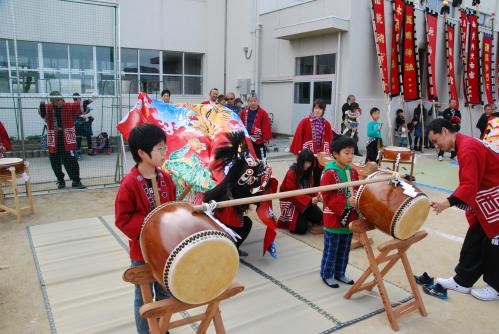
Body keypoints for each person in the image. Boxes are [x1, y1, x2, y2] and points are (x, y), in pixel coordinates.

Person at [115, 123, 177, 333]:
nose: (163, 152)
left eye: (164, 147)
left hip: (166, 249)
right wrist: (152, 223)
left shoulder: (165, 179)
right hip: (141, 251)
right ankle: (145, 331)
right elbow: (123, 219)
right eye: (159, 148)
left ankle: (161, 328)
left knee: (165, 292)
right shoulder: (129, 183)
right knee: (143, 297)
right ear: (141, 152)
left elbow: (172, 210)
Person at [428, 118, 499, 301]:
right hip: (487, 197)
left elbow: (469, 184)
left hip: (494, 196)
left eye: (436, 141)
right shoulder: (464, 145)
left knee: (493, 244)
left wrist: (446, 203)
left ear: (445, 131)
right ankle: (463, 280)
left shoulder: (467, 148)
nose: (437, 146)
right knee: (475, 239)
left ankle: (495, 286)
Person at [320, 136, 359, 288]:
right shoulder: (329, 173)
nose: (350, 157)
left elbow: (357, 190)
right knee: (332, 249)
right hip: (333, 219)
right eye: (347, 153)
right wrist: (347, 201)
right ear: (336, 154)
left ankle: (340, 273)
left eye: (352, 153)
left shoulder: (353, 172)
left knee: (344, 249)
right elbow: (327, 196)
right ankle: (327, 274)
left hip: (349, 218)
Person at [38, 91, 90, 189]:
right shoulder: (48, 107)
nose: (59, 102)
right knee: (55, 161)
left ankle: (76, 180)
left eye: (60, 100)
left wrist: (91, 99)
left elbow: (81, 105)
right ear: (52, 102)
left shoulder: (68, 106)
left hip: (67, 136)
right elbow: (42, 114)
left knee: (71, 160)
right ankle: (61, 181)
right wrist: (42, 101)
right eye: (56, 101)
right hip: (53, 137)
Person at [289, 99, 333, 187]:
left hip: (320, 155)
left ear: (323, 111)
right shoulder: (304, 122)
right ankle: (303, 193)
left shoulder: (326, 124)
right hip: (307, 154)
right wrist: (298, 152)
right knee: (305, 174)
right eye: (316, 108)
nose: (317, 110)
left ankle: (315, 194)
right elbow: (298, 136)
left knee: (318, 175)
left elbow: (330, 139)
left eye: (320, 109)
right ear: (313, 108)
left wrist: (329, 153)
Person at [278, 149, 323, 234]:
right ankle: (302, 217)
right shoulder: (291, 172)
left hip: (305, 202)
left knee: (320, 217)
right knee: (300, 229)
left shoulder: (309, 173)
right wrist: (310, 200)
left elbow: (311, 189)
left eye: (309, 163)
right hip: (291, 203)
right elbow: (291, 194)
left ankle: (303, 216)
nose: (307, 165)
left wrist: (318, 196)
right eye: (305, 162)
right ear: (300, 161)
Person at [239, 95, 272, 160]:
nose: (253, 103)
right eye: (251, 101)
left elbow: (266, 126)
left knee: (260, 159)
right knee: (247, 159)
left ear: (258, 102)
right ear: (248, 102)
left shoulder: (263, 113)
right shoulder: (244, 112)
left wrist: (266, 138)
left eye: (255, 101)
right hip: (247, 139)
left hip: (258, 140)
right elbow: (240, 124)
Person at [73, 93, 94, 157]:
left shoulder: (80, 104)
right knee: (79, 136)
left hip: (84, 122)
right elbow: (89, 101)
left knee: (87, 136)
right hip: (78, 122)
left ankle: (88, 150)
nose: (80, 99)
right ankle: (80, 150)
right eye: (79, 98)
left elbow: (88, 110)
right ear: (77, 98)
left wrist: (87, 115)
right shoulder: (77, 104)